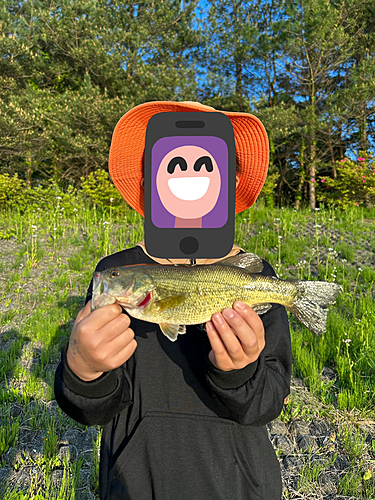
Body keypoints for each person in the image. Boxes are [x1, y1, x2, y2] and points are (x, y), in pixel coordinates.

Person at [54, 101, 292, 500]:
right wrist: (82, 369)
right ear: (148, 181)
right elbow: (92, 410)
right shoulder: (117, 271)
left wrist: (240, 373)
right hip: (138, 485)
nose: (189, 177)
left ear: (231, 183)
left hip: (239, 486)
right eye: (173, 165)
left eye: (206, 165)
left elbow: (269, 400)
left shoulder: (254, 275)